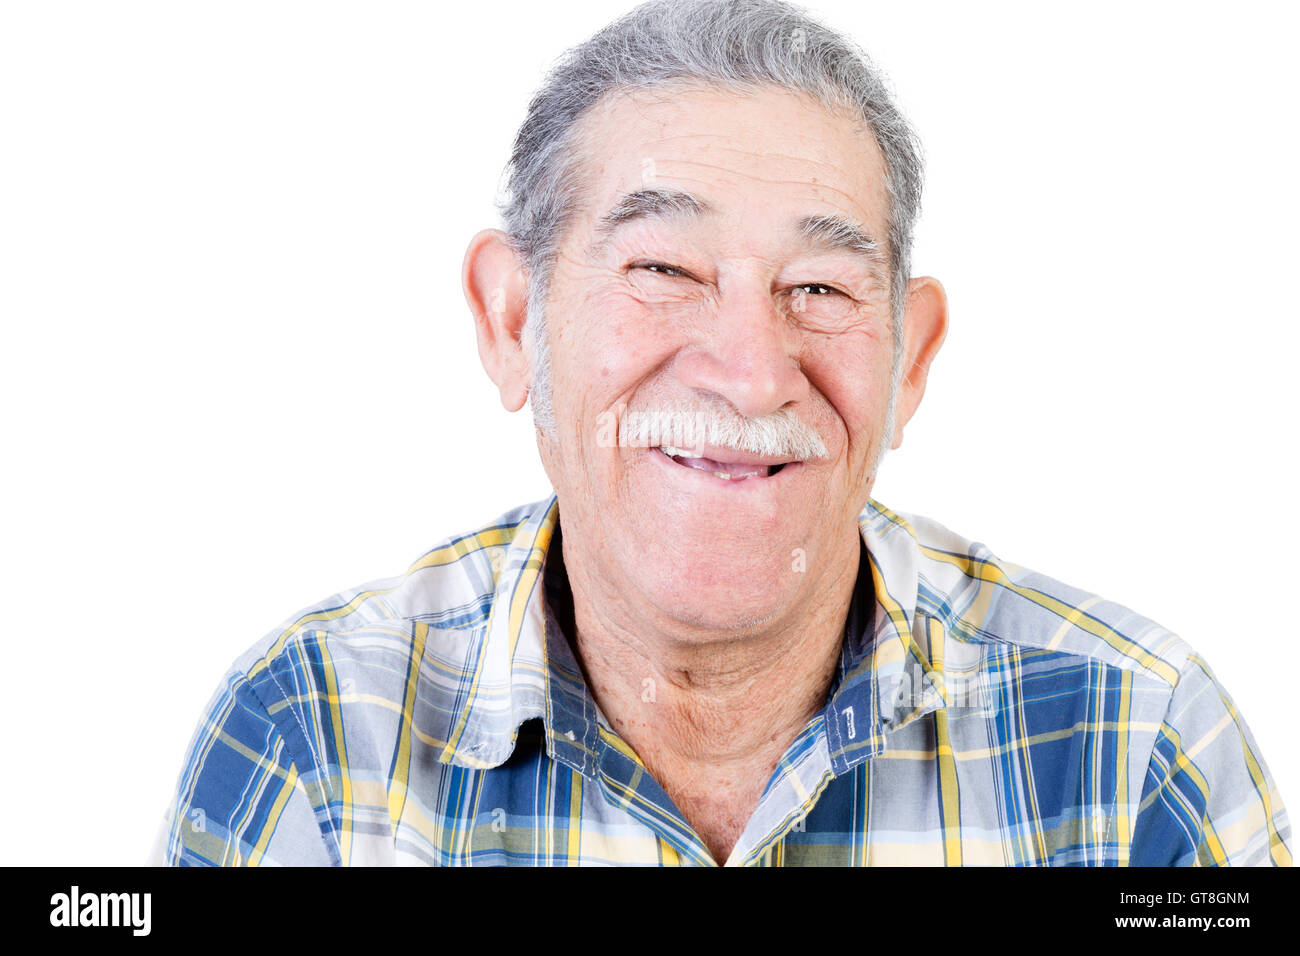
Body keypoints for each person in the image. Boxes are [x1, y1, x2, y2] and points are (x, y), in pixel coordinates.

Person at [151, 0, 1291, 867]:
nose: (749, 371)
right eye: (660, 268)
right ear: (512, 321)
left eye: (819, 286)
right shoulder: (312, 733)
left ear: (911, 359)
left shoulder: (1133, 738)